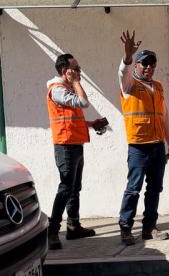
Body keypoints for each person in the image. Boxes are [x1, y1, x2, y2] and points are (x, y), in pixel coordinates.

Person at [117, 30, 169, 245]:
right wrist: (127, 56)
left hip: (157, 146)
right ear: (136, 66)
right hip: (138, 146)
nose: (149, 67)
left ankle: (149, 227)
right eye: (144, 64)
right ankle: (125, 228)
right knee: (134, 188)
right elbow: (122, 73)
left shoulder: (158, 87)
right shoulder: (129, 85)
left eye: (152, 64)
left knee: (155, 188)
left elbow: (165, 117)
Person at [46, 54, 98, 250]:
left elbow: (71, 121)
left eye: (79, 68)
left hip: (75, 143)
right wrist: (76, 82)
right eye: (75, 69)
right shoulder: (57, 90)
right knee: (66, 187)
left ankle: (73, 226)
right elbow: (83, 102)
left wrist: (92, 124)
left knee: (75, 187)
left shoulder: (65, 89)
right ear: (64, 70)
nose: (79, 72)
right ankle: (53, 231)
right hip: (65, 146)